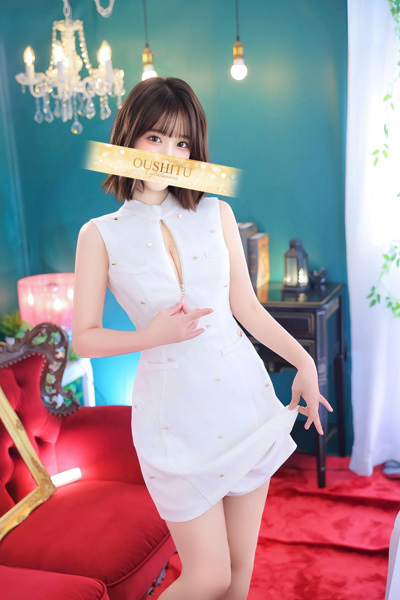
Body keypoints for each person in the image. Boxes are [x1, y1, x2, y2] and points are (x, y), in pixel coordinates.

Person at [72, 76, 333, 600]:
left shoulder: (217, 213)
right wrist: (151, 335)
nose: (168, 154)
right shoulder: (99, 234)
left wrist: (304, 364)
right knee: (208, 575)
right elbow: (85, 339)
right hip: (175, 420)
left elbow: (247, 308)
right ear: (128, 139)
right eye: (155, 138)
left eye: (182, 142)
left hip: (243, 402)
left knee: (238, 576)